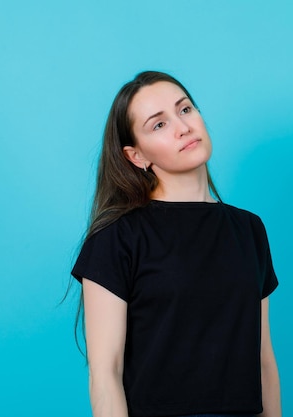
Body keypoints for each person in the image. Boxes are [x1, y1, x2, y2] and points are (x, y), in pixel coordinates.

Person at [70, 71, 281, 417]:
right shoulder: (117, 238)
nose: (183, 127)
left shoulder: (249, 230)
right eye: (159, 125)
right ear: (137, 157)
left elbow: (263, 361)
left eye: (184, 110)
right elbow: (105, 374)